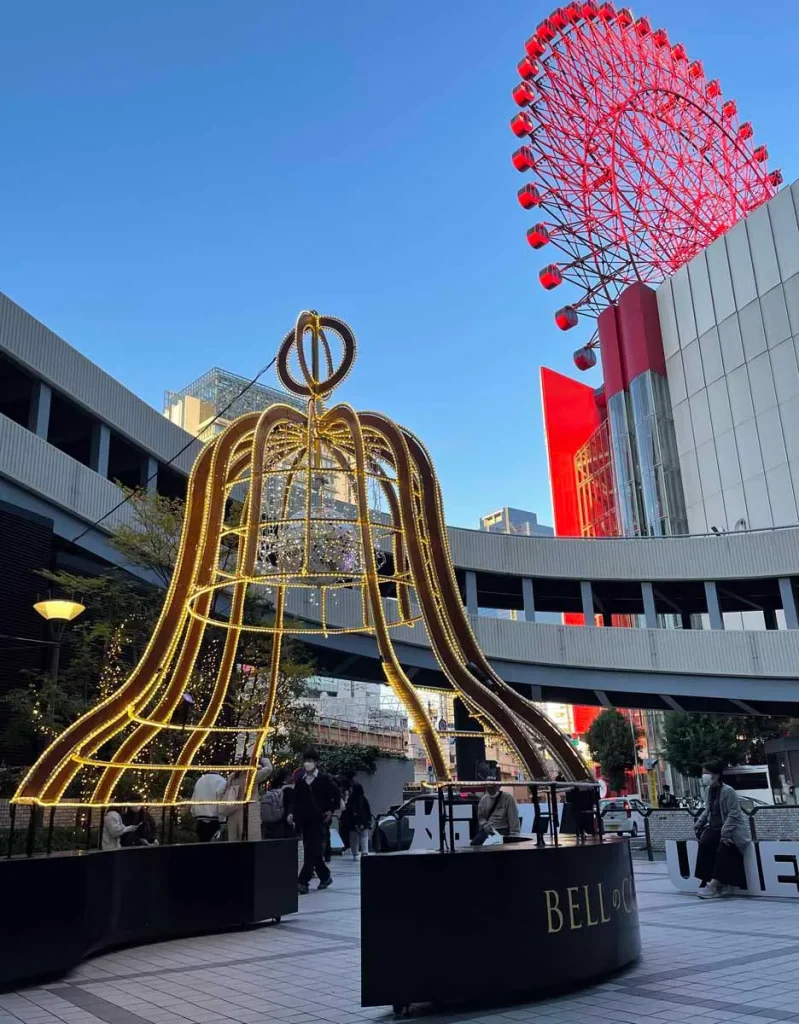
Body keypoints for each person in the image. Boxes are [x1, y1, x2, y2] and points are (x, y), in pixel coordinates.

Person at [694, 762, 750, 898]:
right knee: (704, 843)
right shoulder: (708, 791)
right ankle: (706, 879)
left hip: (731, 830)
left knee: (724, 848)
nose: (704, 776)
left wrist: (725, 832)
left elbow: (734, 813)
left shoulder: (728, 791)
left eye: (707, 773)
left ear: (717, 775)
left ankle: (714, 885)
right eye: (703, 773)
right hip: (715, 828)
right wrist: (699, 823)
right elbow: (708, 810)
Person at [289, 749, 340, 893]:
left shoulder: (324, 779)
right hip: (304, 821)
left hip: (319, 820)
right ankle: (325, 876)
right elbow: (295, 800)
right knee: (313, 851)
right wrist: (291, 813)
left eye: (311, 761)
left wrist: (330, 810)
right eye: (306, 760)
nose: (308, 763)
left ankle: (302, 881)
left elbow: (336, 795)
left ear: (316, 763)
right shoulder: (301, 781)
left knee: (311, 851)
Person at [224, 757, 272, 842]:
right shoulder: (251, 775)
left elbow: (225, 790)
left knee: (235, 845)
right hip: (249, 813)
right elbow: (269, 769)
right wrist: (263, 759)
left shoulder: (233, 776)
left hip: (233, 813)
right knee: (251, 844)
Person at [190, 771, 227, 842]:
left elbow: (194, 798)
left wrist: (194, 813)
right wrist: (223, 822)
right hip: (214, 820)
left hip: (200, 819)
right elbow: (222, 803)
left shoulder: (200, 780)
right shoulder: (221, 781)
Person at [340, 782, 372, 859]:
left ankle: (355, 853)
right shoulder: (364, 799)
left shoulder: (351, 800)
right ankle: (365, 853)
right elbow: (368, 811)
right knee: (364, 837)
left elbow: (347, 812)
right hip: (363, 822)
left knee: (353, 839)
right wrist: (368, 821)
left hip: (353, 824)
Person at [261, 768, 295, 840]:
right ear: (287, 777)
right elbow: (291, 805)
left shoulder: (272, 789)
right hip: (284, 828)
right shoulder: (288, 790)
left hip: (269, 828)